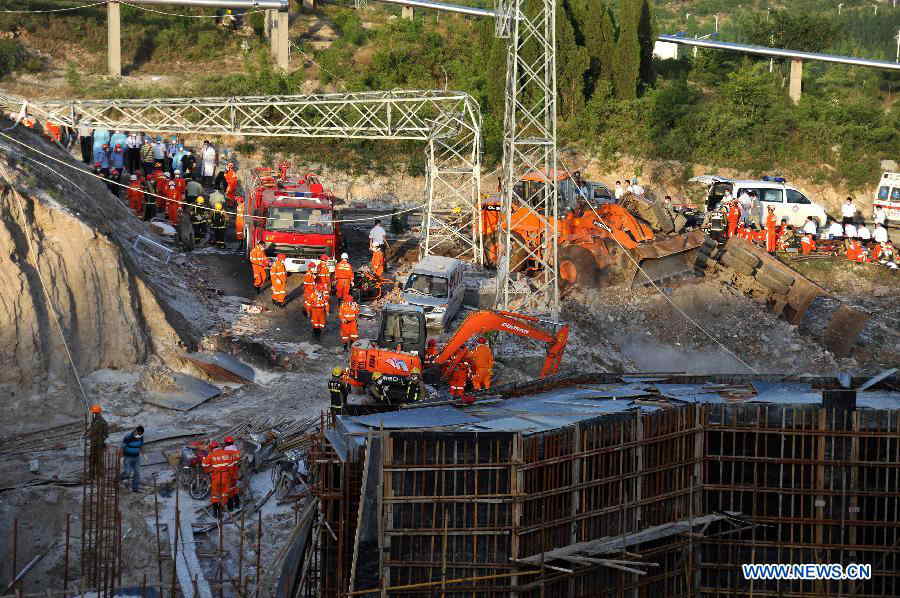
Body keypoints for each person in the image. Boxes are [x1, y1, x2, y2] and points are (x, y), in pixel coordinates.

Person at [201, 440, 231, 519]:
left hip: (216, 478)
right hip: (225, 477)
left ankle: (216, 513)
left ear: (211, 448)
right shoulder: (225, 453)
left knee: (215, 496)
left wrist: (204, 457)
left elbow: (204, 464)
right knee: (224, 494)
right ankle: (222, 510)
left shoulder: (211, 455)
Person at [86, 404, 109, 480]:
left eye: (93, 412)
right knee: (94, 460)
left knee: (97, 460)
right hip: (95, 443)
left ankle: (98, 476)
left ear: (95, 413)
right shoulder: (95, 421)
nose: (92, 414)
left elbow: (104, 434)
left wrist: (101, 440)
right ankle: (93, 476)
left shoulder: (100, 422)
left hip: (98, 444)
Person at [120, 425, 144, 493]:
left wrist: (143, 454)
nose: (139, 435)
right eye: (138, 433)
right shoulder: (128, 437)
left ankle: (135, 488)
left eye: (140, 434)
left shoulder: (141, 437)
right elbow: (122, 447)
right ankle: (121, 478)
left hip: (136, 457)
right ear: (136, 431)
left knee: (137, 472)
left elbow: (141, 446)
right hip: (128, 457)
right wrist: (121, 457)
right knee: (128, 472)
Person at [222, 436, 241, 511]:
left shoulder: (226, 451)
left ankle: (230, 508)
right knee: (234, 489)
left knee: (228, 491)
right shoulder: (236, 451)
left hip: (228, 474)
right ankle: (237, 504)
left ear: (226, 443)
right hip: (234, 473)